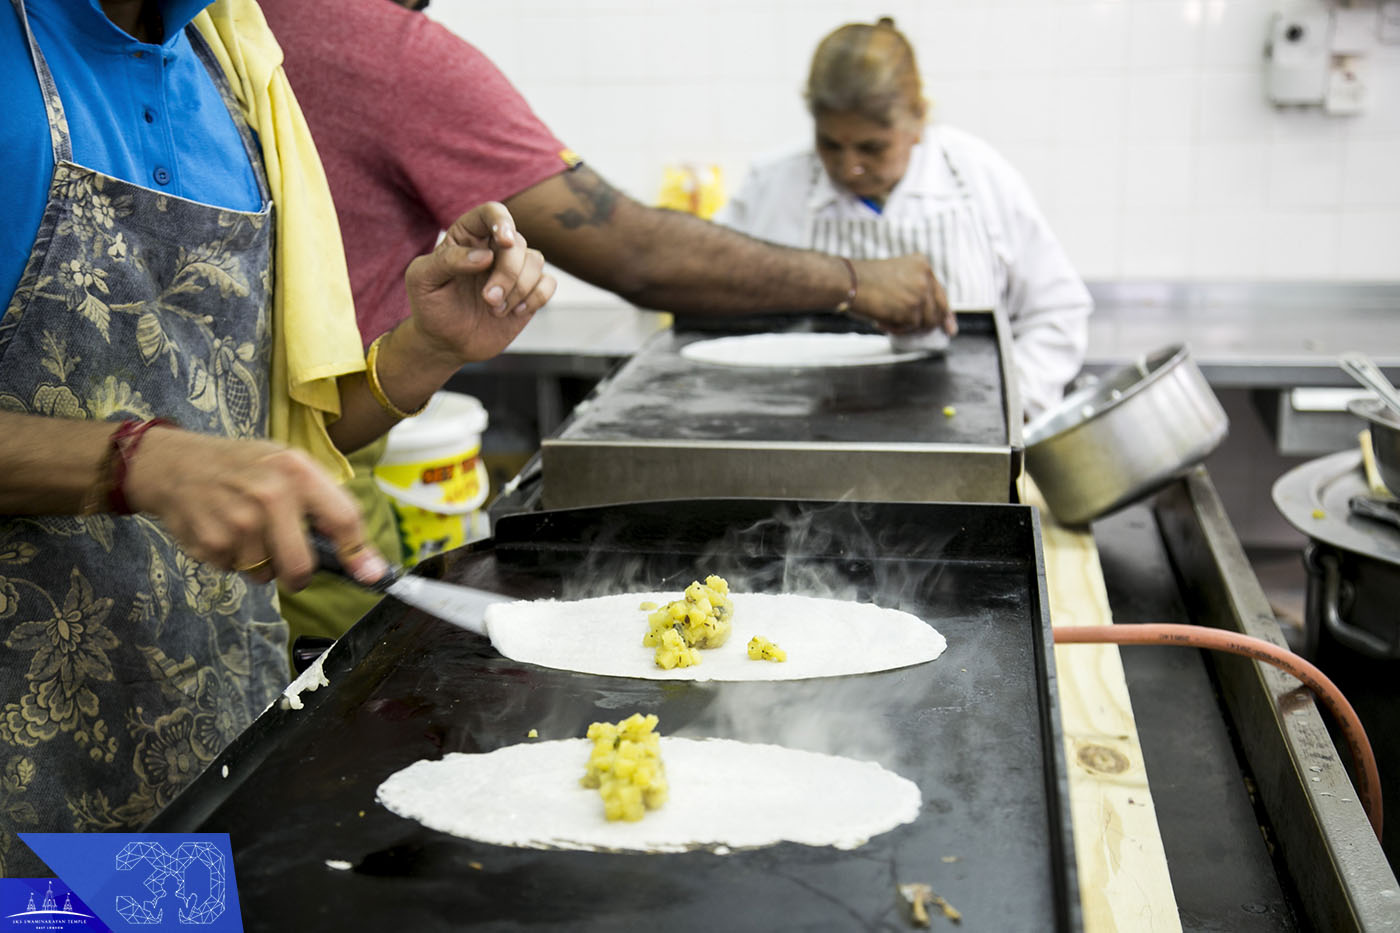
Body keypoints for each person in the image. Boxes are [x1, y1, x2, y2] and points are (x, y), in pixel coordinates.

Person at [0, 0, 551, 875]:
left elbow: (246, 430)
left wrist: (423, 352)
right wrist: (132, 461)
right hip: (25, 795)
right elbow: (179, 459)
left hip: (208, 754)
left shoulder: (233, 67)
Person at [257, 0, 956, 648]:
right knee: (336, 680)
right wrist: (855, 279)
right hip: (302, 484)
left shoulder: (240, 25)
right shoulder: (387, 53)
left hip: (303, 446)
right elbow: (637, 253)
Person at [717, 17, 1092, 420]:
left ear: (918, 121)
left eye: (872, 148)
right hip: (808, 435)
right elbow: (713, 295)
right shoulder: (774, 185)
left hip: (964, 438)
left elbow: (1057, 310)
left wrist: (1008, 408)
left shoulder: (978, 177)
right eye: (829, 144)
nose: (848, 168)